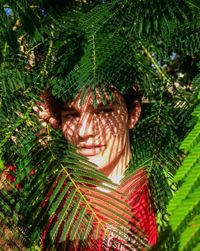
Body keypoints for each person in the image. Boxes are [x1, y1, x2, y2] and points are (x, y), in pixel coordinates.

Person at [38, 85, 157, 250]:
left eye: (104, 111)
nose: (84, 131)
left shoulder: (166, 193)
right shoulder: (60, 199)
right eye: (72, 114)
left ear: (133, 115)